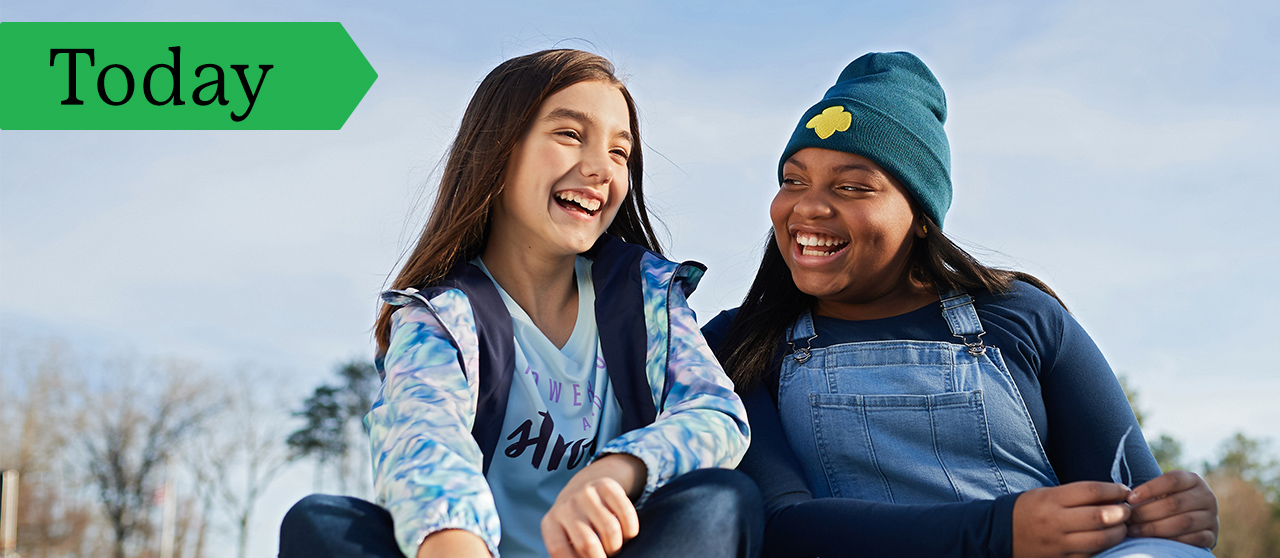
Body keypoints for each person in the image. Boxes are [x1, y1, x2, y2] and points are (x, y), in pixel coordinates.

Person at [701, 51, 1218, 558]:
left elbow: (1127, 495)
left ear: (922, 216)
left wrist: (1171, 513)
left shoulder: (1020, 316)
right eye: (793, 180)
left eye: (854, 186)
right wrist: (998, 533)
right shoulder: (736, 346)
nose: (808, 206)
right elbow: (779, 527)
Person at [279, 49, 760, 558]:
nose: (601, 168)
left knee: (723, 499)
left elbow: (715, 413)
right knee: (321, 522)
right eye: (570, 134)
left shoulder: (648, 295)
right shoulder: (440, 319)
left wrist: (617, 470)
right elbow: (423, 443)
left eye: (620, 153)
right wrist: (453, 542)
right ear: (499, 150)